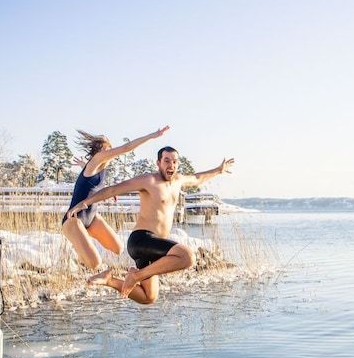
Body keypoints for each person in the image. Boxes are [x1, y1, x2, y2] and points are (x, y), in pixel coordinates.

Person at [66, 146, 234, 304]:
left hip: (154, 249)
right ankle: (136, 276)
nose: (171, 165)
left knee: (148, 297)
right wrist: (85, 203)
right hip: (142, 240)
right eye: (167, 160)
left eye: (175, 161)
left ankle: (109, 280)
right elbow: (113, 190)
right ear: (158, 163)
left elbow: (197, 178)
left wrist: (218, 170)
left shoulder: (178, 180)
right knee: (188, 257)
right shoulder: (148, 180)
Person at [62, 126, 169, 270]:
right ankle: (79, 250)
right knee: (95, 263)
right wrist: (152, 135)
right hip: (73, 219)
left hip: (91, 217)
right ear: (99, 151)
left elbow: (90, 183)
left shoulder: (97, 167)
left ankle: (83, 243)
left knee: (117, 248)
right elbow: (126, 148)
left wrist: (108, 192)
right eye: (107, 148)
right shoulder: (97, 159)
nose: (110, 151)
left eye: (110, 147)